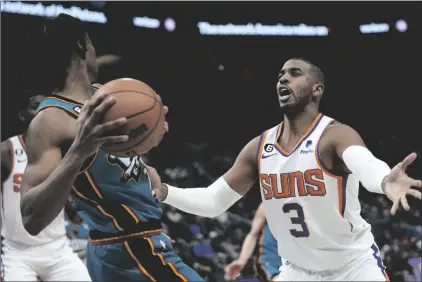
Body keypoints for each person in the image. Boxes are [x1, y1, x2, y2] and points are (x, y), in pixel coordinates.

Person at [149, 58, 421, 281]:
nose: (283, 79)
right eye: (280, 75)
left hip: (353, 268)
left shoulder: (334, 135)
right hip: (296, 271)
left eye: (295, 73)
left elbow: (366, 165)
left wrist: (386, 181)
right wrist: (164, 191)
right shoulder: (258, 148)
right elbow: (213, 201)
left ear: (317, 89)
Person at [19, 14, 203, 282]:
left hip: (141, 243)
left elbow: (116, 163)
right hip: (127, 249)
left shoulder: (103, 96)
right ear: (82, 46)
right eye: (92, 42)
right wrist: (79, 151)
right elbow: (30, 218)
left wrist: (149, 136)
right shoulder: (50, 120)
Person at [1, 95, 91, 281]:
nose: (41, 111)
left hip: (57, 248)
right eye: (35, 106)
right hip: (18, 252)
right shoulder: (6, 150)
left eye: (44, 107)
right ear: (22, 115)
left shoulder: (58, 151)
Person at [224, 203, 282, 281]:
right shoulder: (268, 203)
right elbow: (253, 234)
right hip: (271, 259)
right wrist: (242, 260)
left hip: (294, 257)